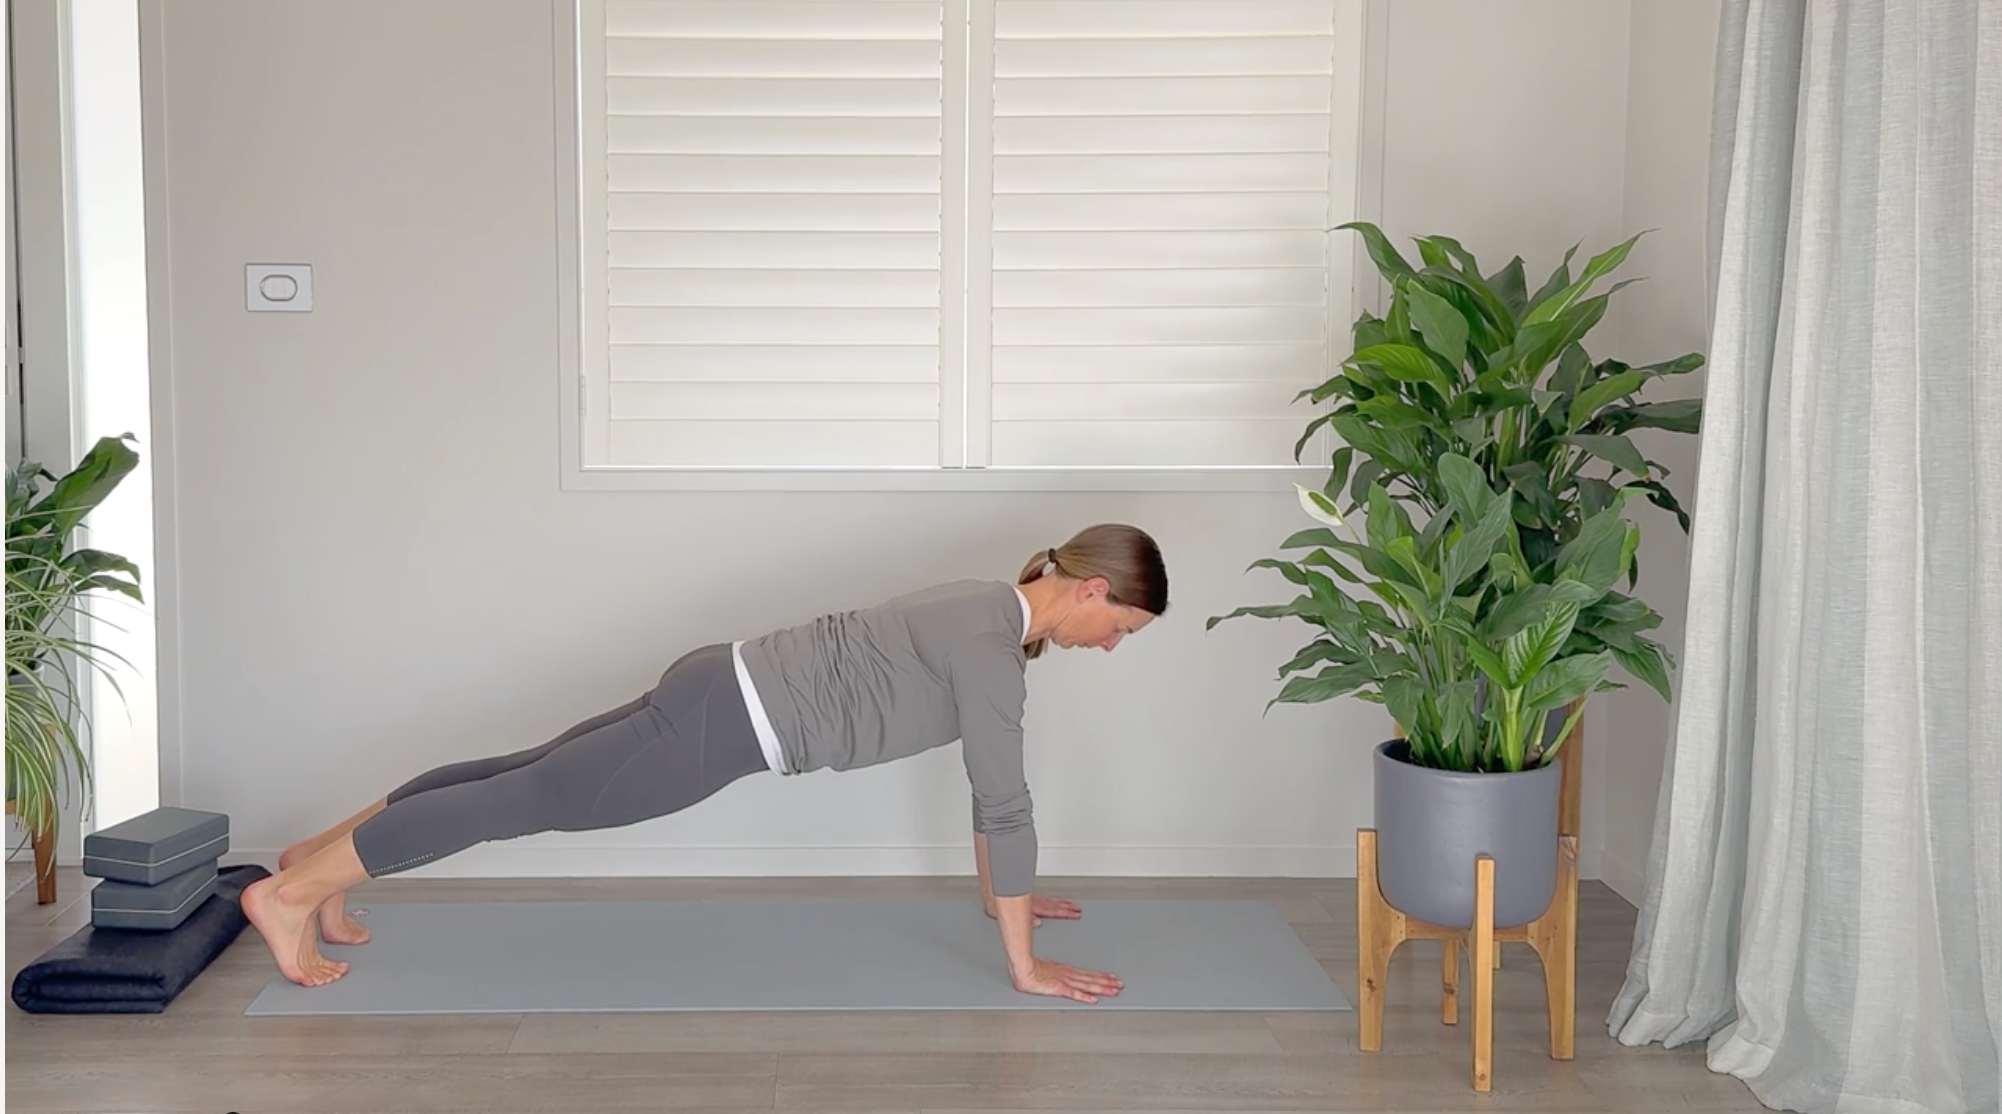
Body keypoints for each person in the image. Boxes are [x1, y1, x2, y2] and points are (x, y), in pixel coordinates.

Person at [241, 523, 1169, 1004]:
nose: (1111, 646)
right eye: (1119, 628)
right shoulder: (992, 646)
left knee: (521, 774)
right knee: (520, 799)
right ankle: (287, 900)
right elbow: (1003, 802)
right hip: (730, 724)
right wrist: (1025, 963)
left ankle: (317, 863)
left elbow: (991, 799)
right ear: (1092, 589)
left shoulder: (980, 606)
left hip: (717, 682)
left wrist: (1001, 895)